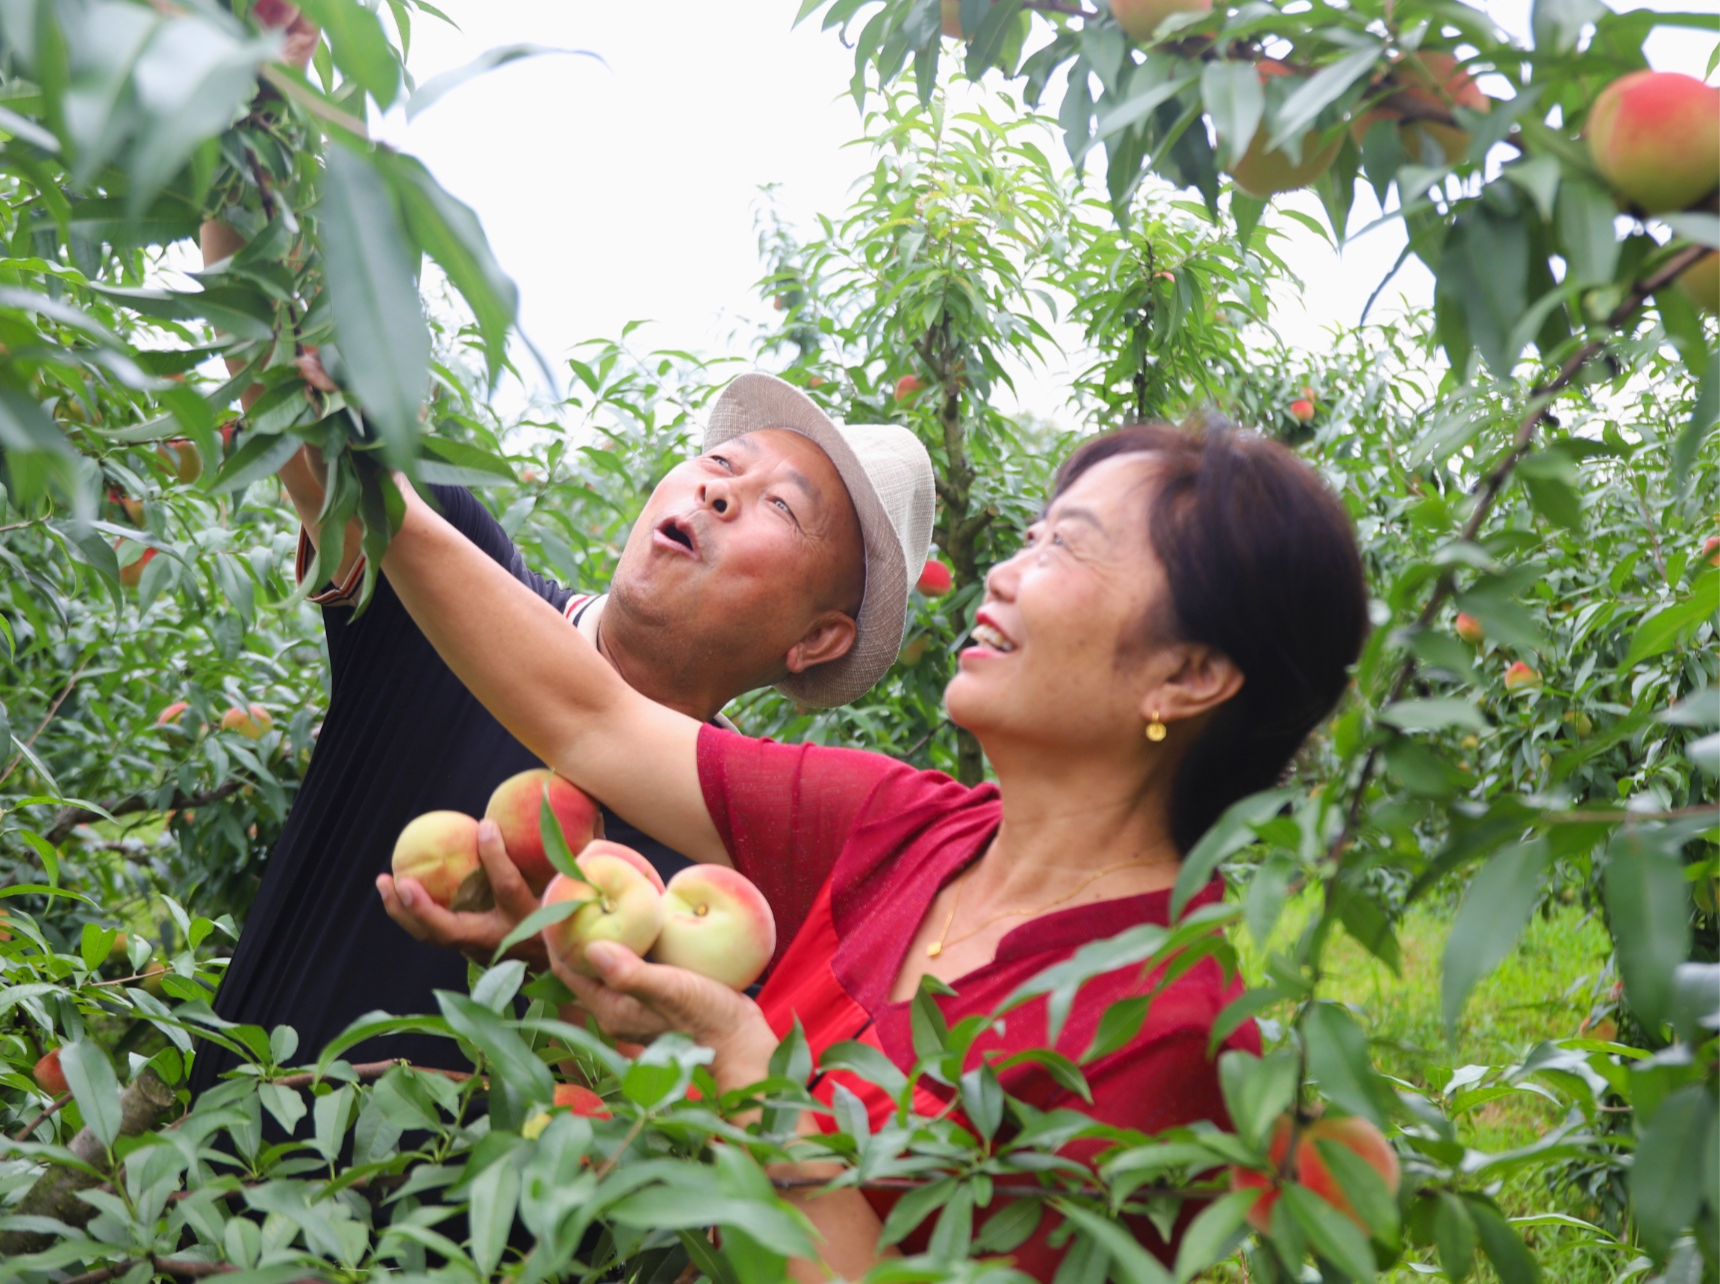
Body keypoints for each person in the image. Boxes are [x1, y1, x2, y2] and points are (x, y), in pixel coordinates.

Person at [372, 419, 1369, 1278]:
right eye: (1026, 536)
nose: (1006, 573)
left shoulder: (1167, 1030)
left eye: (1065, 548)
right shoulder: (909, 827)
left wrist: (737, 1054)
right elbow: (587, 717)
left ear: (1187, 674)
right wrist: (362, 483)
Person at [186, 371, 935, 1091]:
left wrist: (569, 990)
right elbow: (290, 380)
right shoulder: (455, 583)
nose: (718, 490)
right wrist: (299, 279)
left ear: (818, 639)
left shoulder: (742, 870)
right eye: (719, 462)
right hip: (208, 1193)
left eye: (780, 506)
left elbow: (676, 1124)